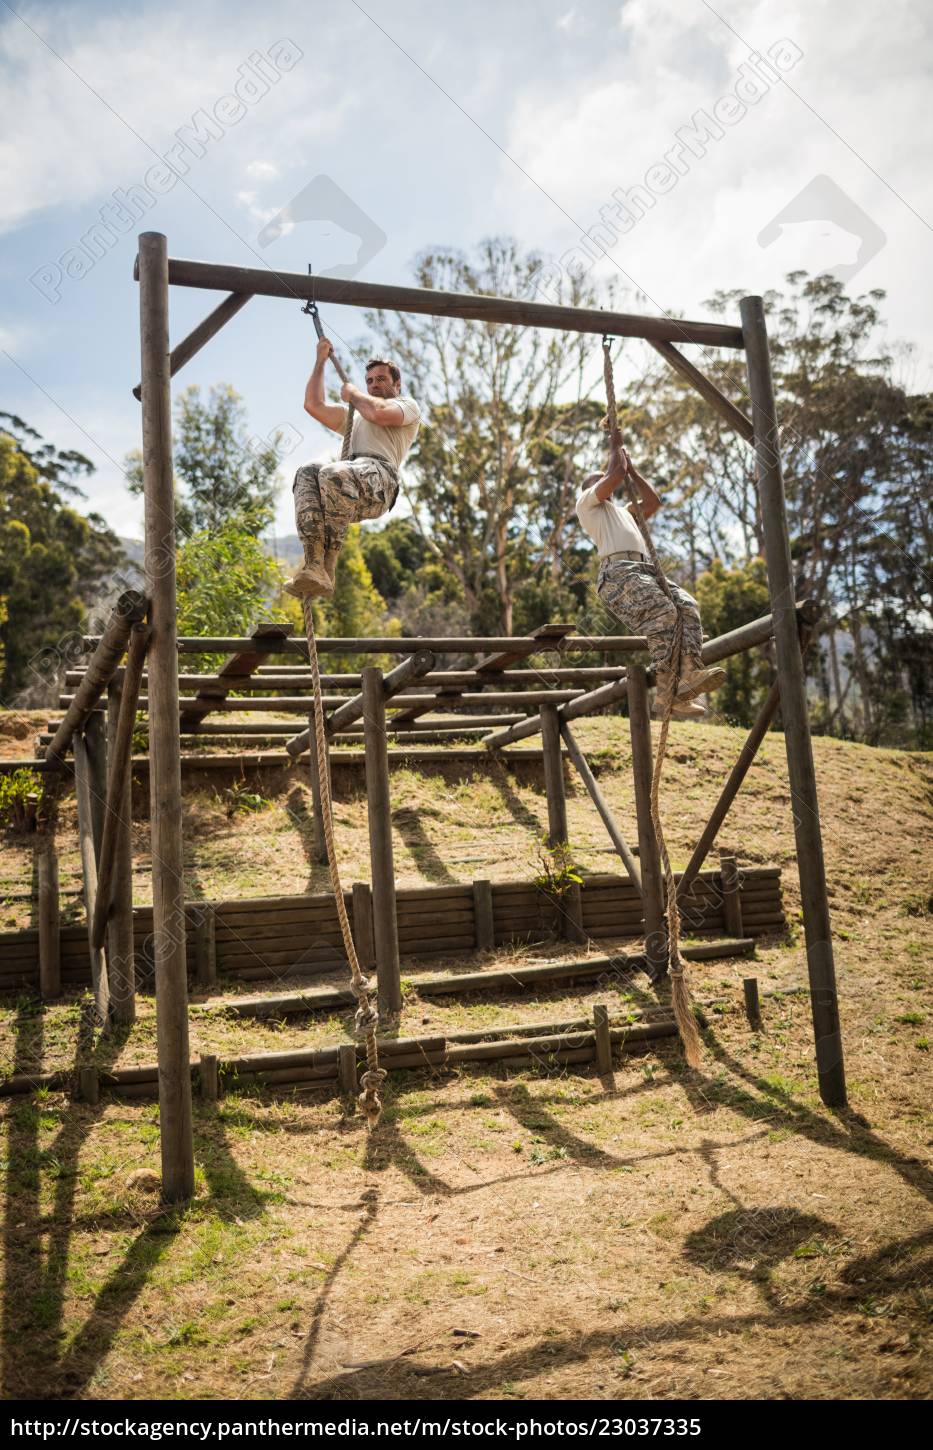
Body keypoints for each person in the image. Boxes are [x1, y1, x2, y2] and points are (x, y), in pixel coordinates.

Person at [575, 427, 725, 717]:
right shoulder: (587, 504)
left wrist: (633, 473)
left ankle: (685, 683)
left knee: (687, 607)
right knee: (663, 613)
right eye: (600, 480)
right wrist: (615, 446)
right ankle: (667, 687)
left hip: (645, 569)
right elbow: (613, 474)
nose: (608, 484)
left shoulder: (624, 511)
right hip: (618, 572)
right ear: (590, 488)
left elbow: (654, 501)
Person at [284, 340, 421, 598]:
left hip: (380, 480)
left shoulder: (407, 406)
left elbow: (378, 413)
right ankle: (314, 563)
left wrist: (354, 393)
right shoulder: (356, 416)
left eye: (381, 379)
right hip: (349, 487)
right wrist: (320, 361)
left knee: (332, 473)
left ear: (397, 385)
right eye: (369, 381)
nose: (374, 384)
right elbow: (314, 405)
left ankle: (329, 565)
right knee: (307, 472)